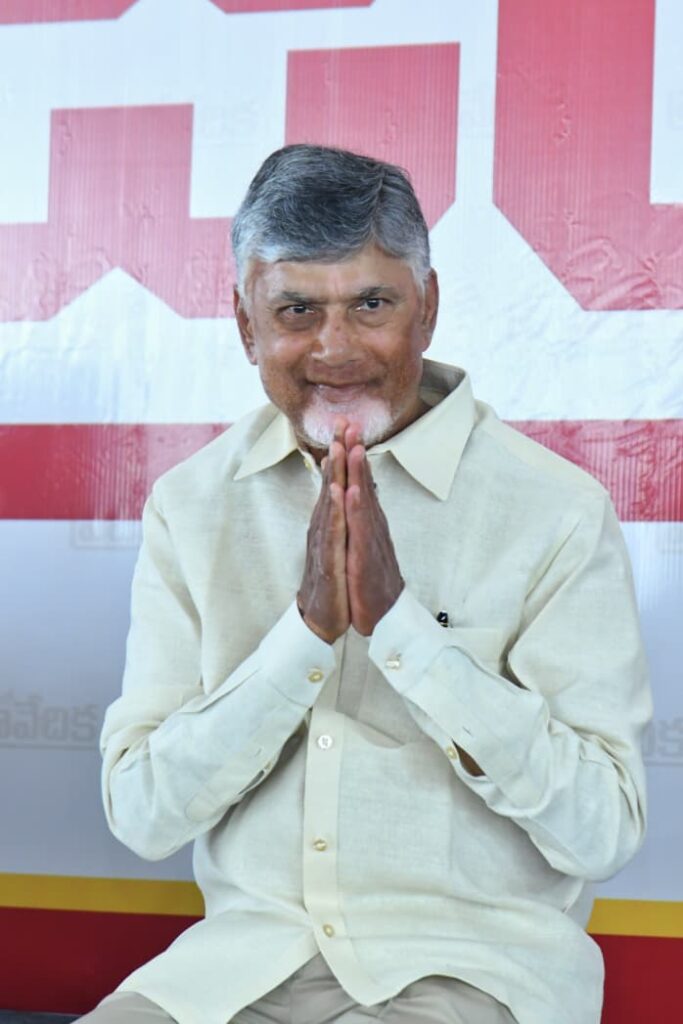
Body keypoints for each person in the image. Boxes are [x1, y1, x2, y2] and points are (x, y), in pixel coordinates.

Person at [90, 145, 651, 1024]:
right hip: (236, 970)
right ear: (245, 324)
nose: (335, 347)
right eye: (297, 310)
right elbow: (143, 814)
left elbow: (602, 830)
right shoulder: (191, 505)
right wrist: (303, 638)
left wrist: (403, 633)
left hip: (473, 970)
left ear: (427, 309)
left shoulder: (555, 510)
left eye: (371, 304)